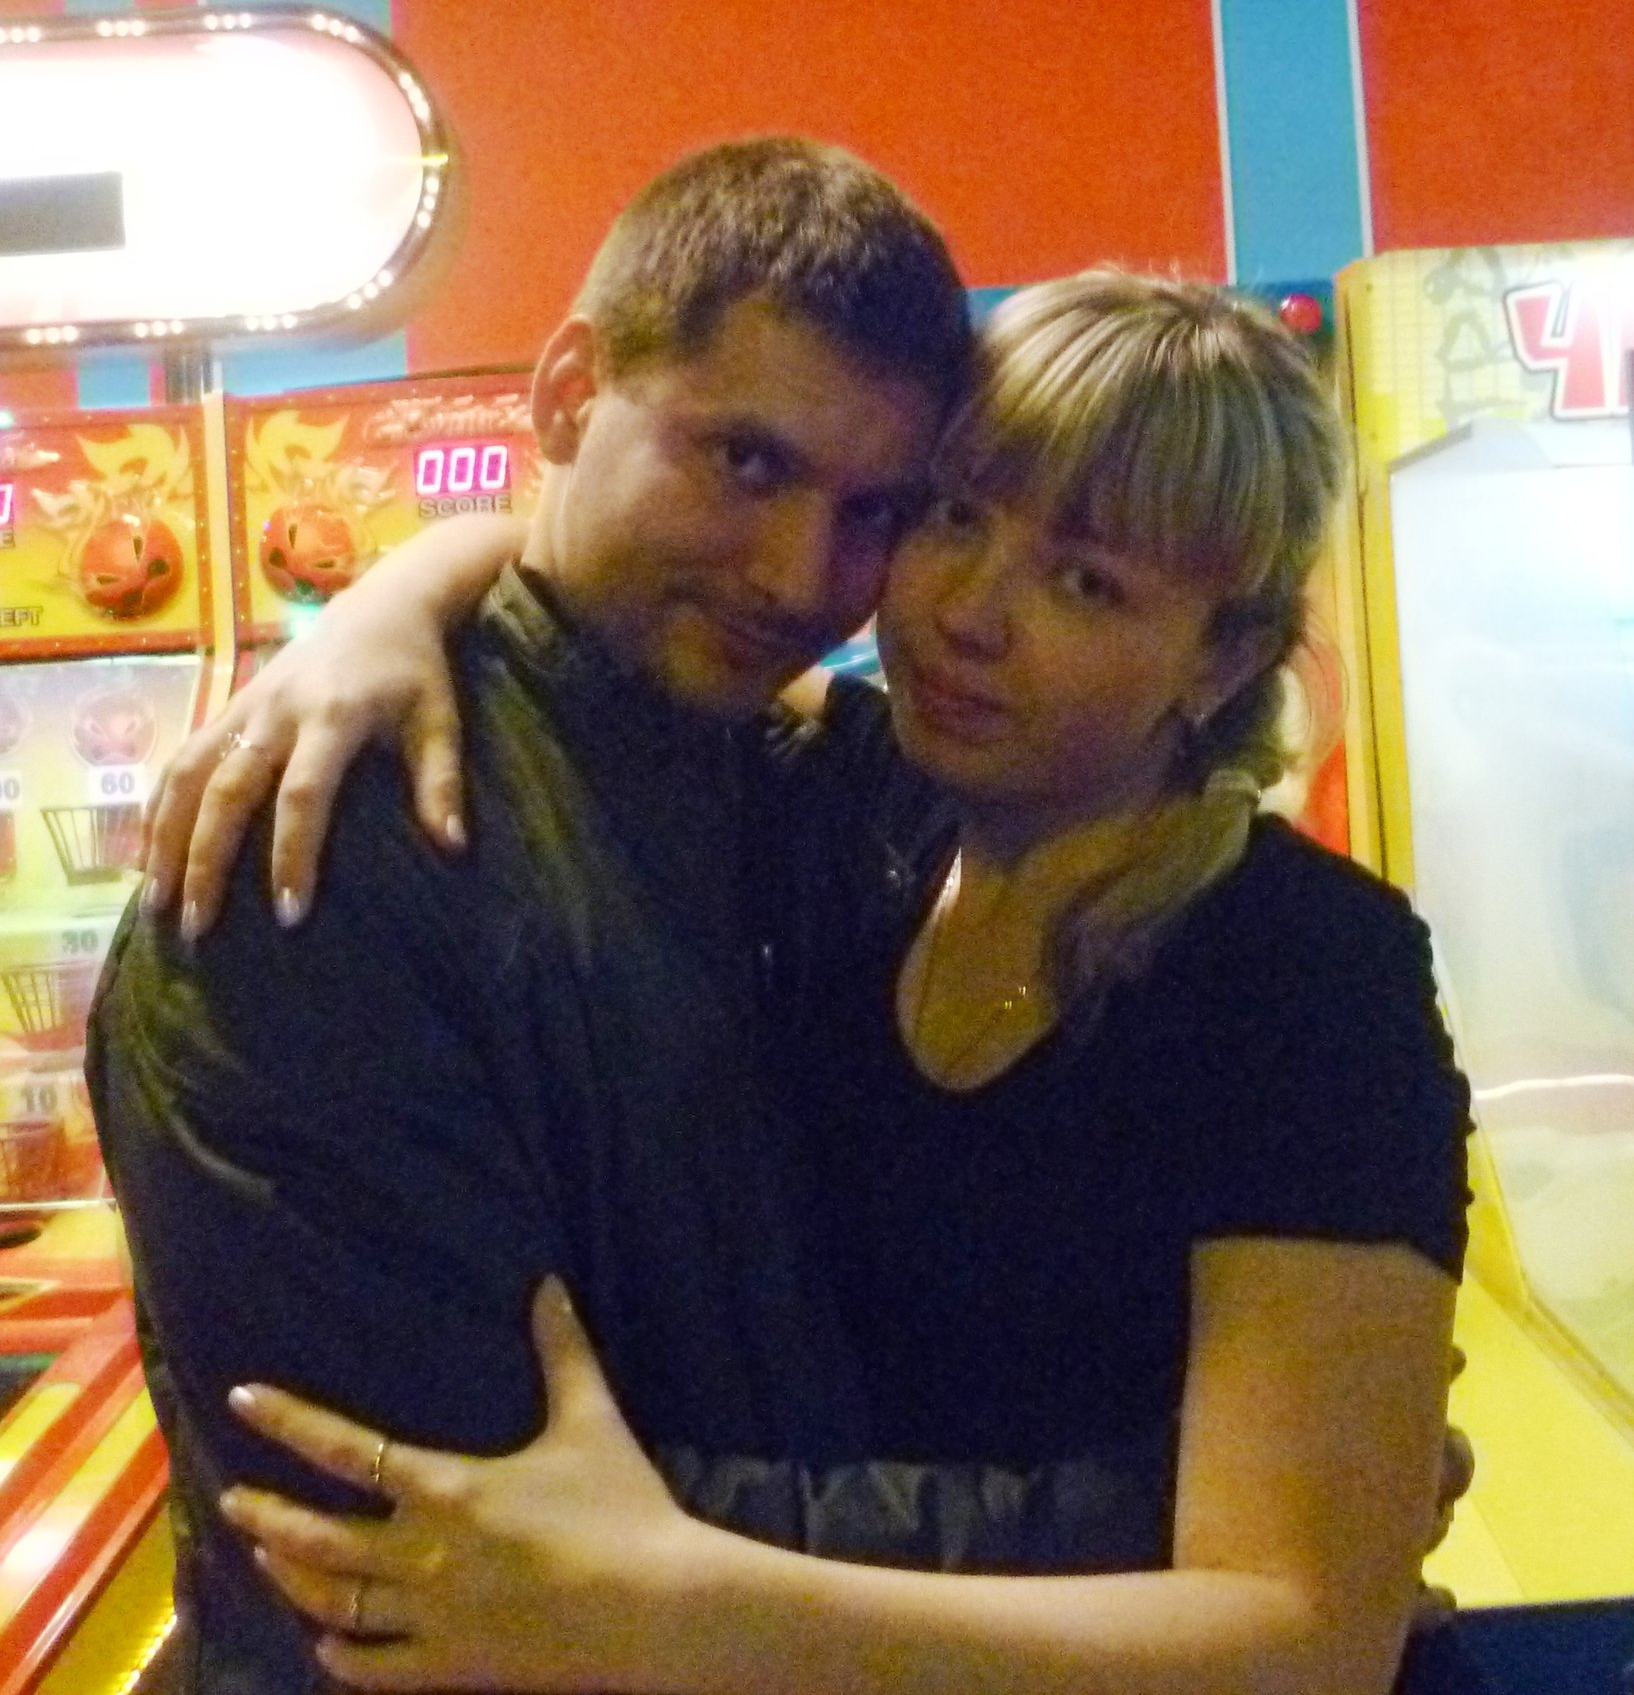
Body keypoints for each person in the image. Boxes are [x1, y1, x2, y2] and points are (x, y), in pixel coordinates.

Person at [130, 270, 1472, 1694]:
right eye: (952, 518)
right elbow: (588, 589)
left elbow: (1304, 1640)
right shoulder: (868, 814)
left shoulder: (1300, 973)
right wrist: (382, 608)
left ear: (1225, 657)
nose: (968, 612)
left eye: (1086, 581)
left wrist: (685, 1608)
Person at [88, 136, 1019, 1691]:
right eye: (745, 464)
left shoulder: (787, 786)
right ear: (570, 394)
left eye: (872, 511)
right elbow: (477, 1556)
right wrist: (1205, 1531)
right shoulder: (308, 857)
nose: (801, 575)